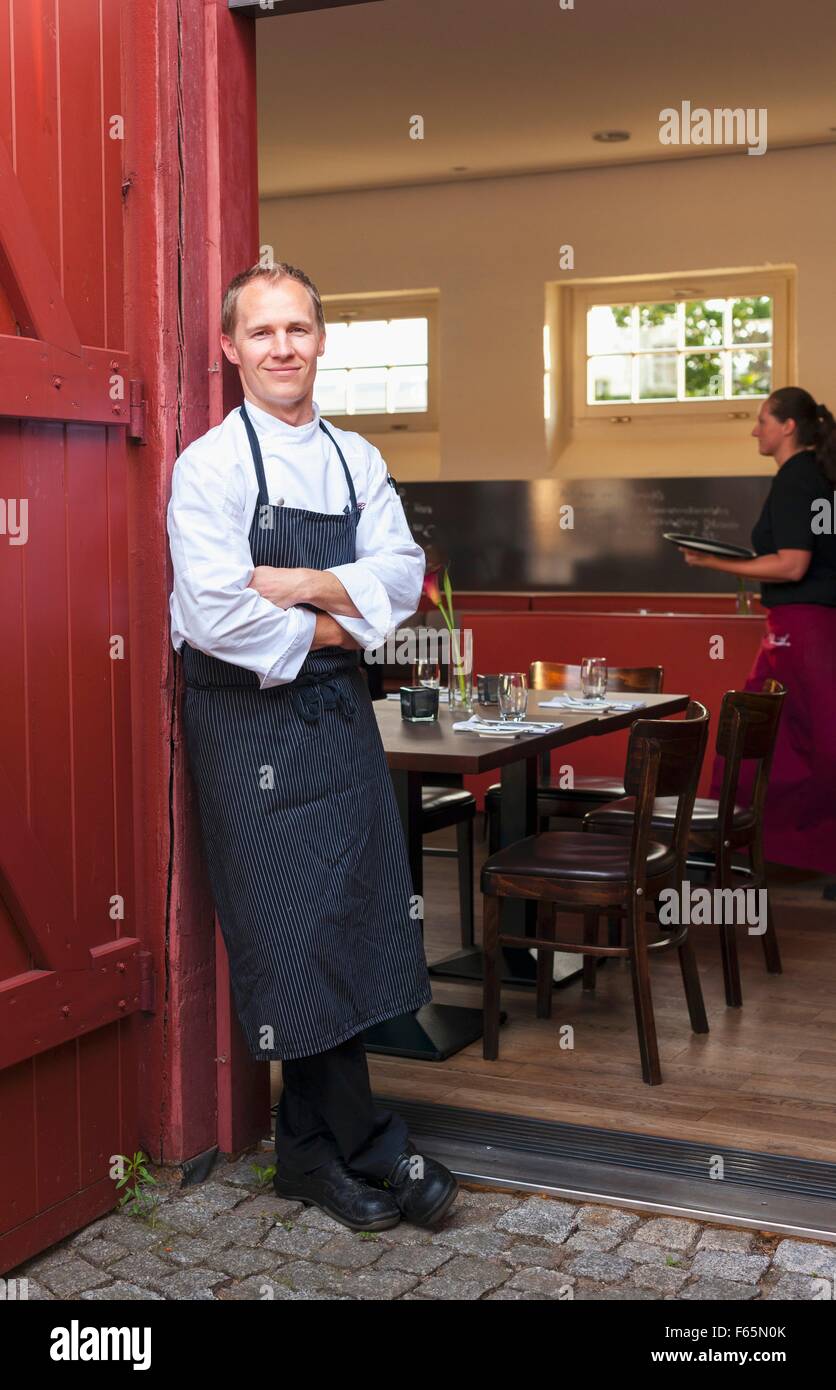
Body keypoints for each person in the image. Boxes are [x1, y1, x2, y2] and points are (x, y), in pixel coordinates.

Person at [166, 261, 458, 1232]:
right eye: (261, 332)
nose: (282, 347)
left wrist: (290, 581)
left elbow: (402, 576)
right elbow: (216, 613)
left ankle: (306, 1159)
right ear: (229, 348)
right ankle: (375, 1145)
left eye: (298, 329)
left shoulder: (354, 460)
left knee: (352, 920)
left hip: (336, 723)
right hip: (247, 728)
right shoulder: (206, 467)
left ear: (321, 340)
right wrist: (342, 604)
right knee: (289, 932)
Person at [681, 387, 836, 879]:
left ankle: (717, 843)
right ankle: (728, 842)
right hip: (814, 625)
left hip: (802, 627)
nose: (755, 429)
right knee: (795, 735)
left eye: (762, 420)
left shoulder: (797, 477)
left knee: (756, 732)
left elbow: (792, 565)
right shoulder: (820, 474)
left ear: (788, 426)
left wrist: (712, 561)